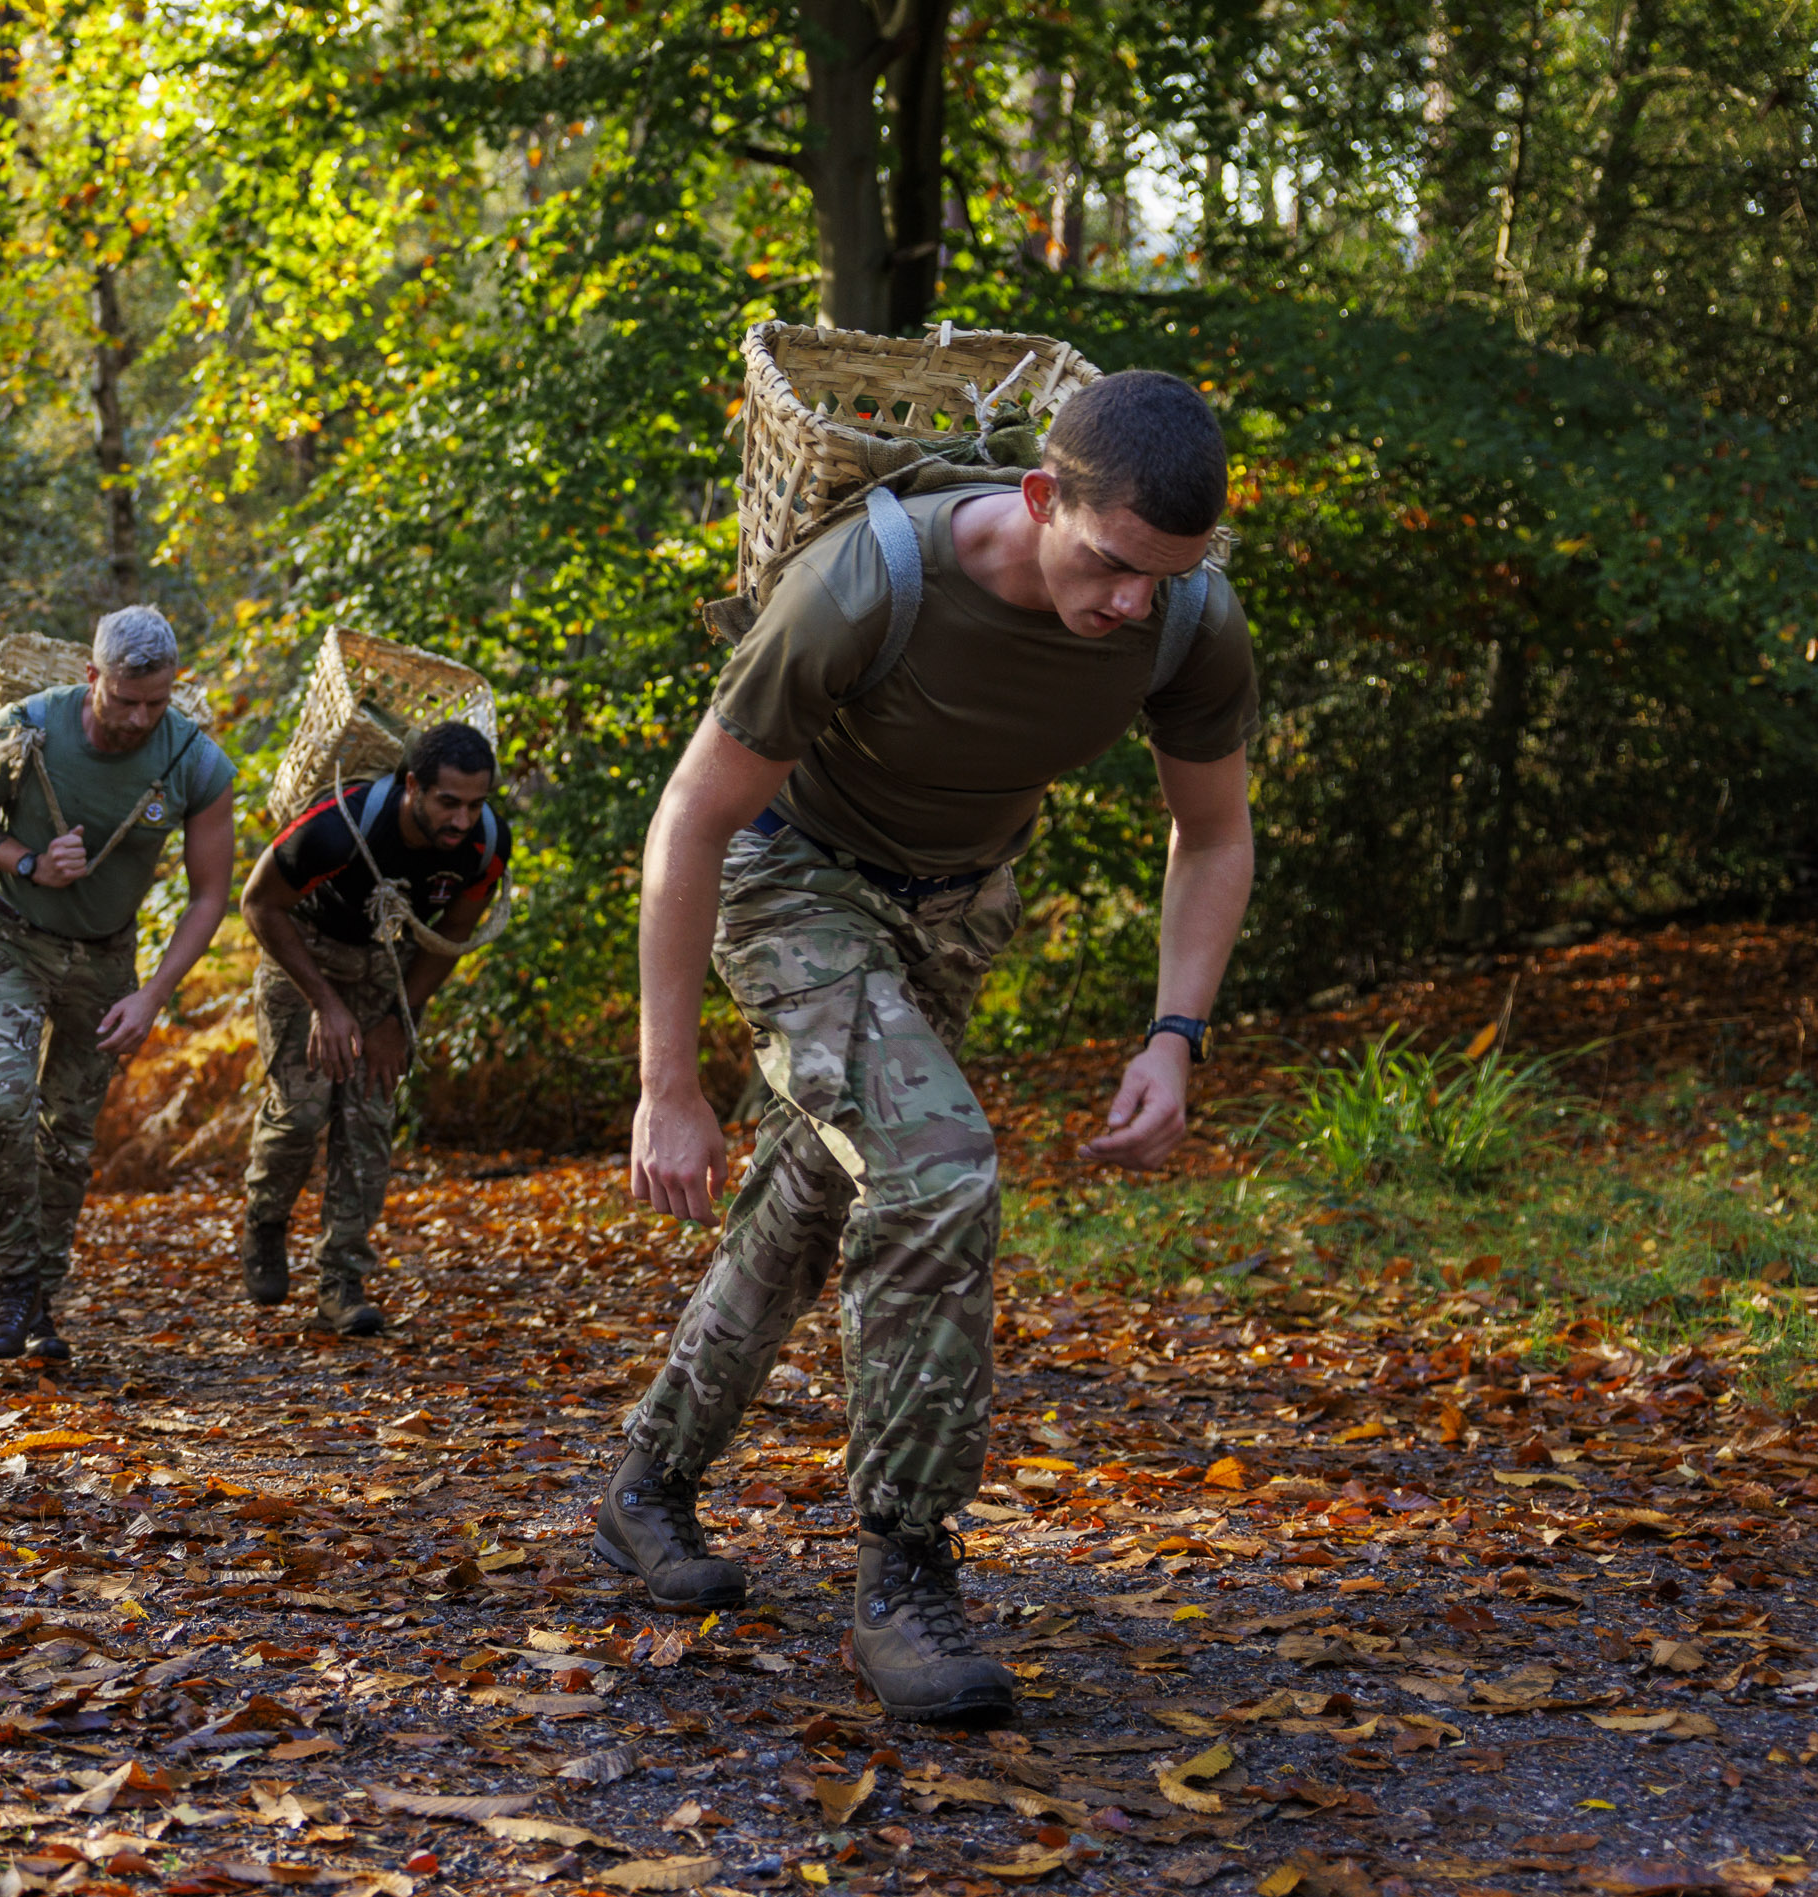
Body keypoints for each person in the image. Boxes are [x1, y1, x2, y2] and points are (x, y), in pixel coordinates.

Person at [603, 371, 1258, 1726]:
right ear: (1040, 500)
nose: (1134, 601)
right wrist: (667, 1087)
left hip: (956, 907)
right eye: (1114, 563)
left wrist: (1174, 1036)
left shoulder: (1189, 618)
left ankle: (647, 1485)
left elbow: (1215, 831)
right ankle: (904, 1570)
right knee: (941, 1164)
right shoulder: (873, 579)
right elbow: (691, 818)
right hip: (794, 881)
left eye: (1169, 575)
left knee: (820, 1190)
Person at [0, 604, 237, 1361]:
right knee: (5, 1103)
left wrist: (152, 995)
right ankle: (10, 1284)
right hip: (7, 935)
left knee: (68, 1140)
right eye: (124, 698)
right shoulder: (26, 726)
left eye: (158, 700)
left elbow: (209, 895)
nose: (141, 718)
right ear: (90, 677)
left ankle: (42, 1295)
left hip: (105, 960)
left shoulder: (194, 762)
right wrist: (27, 860)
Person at [238, 721, 509, 1336]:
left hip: (386, 970)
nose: (463, 820)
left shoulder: (486, 844)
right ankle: (267, 1215)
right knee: (302, 1113)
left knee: (369, 1117)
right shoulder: (338, 828)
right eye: (448, 802)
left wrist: (398, 1019)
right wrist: (324, 1004)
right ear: (412, 785)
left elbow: (453, 935)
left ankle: (342, 1283)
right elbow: (258, 903)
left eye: (476, 804)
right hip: (303, 957)